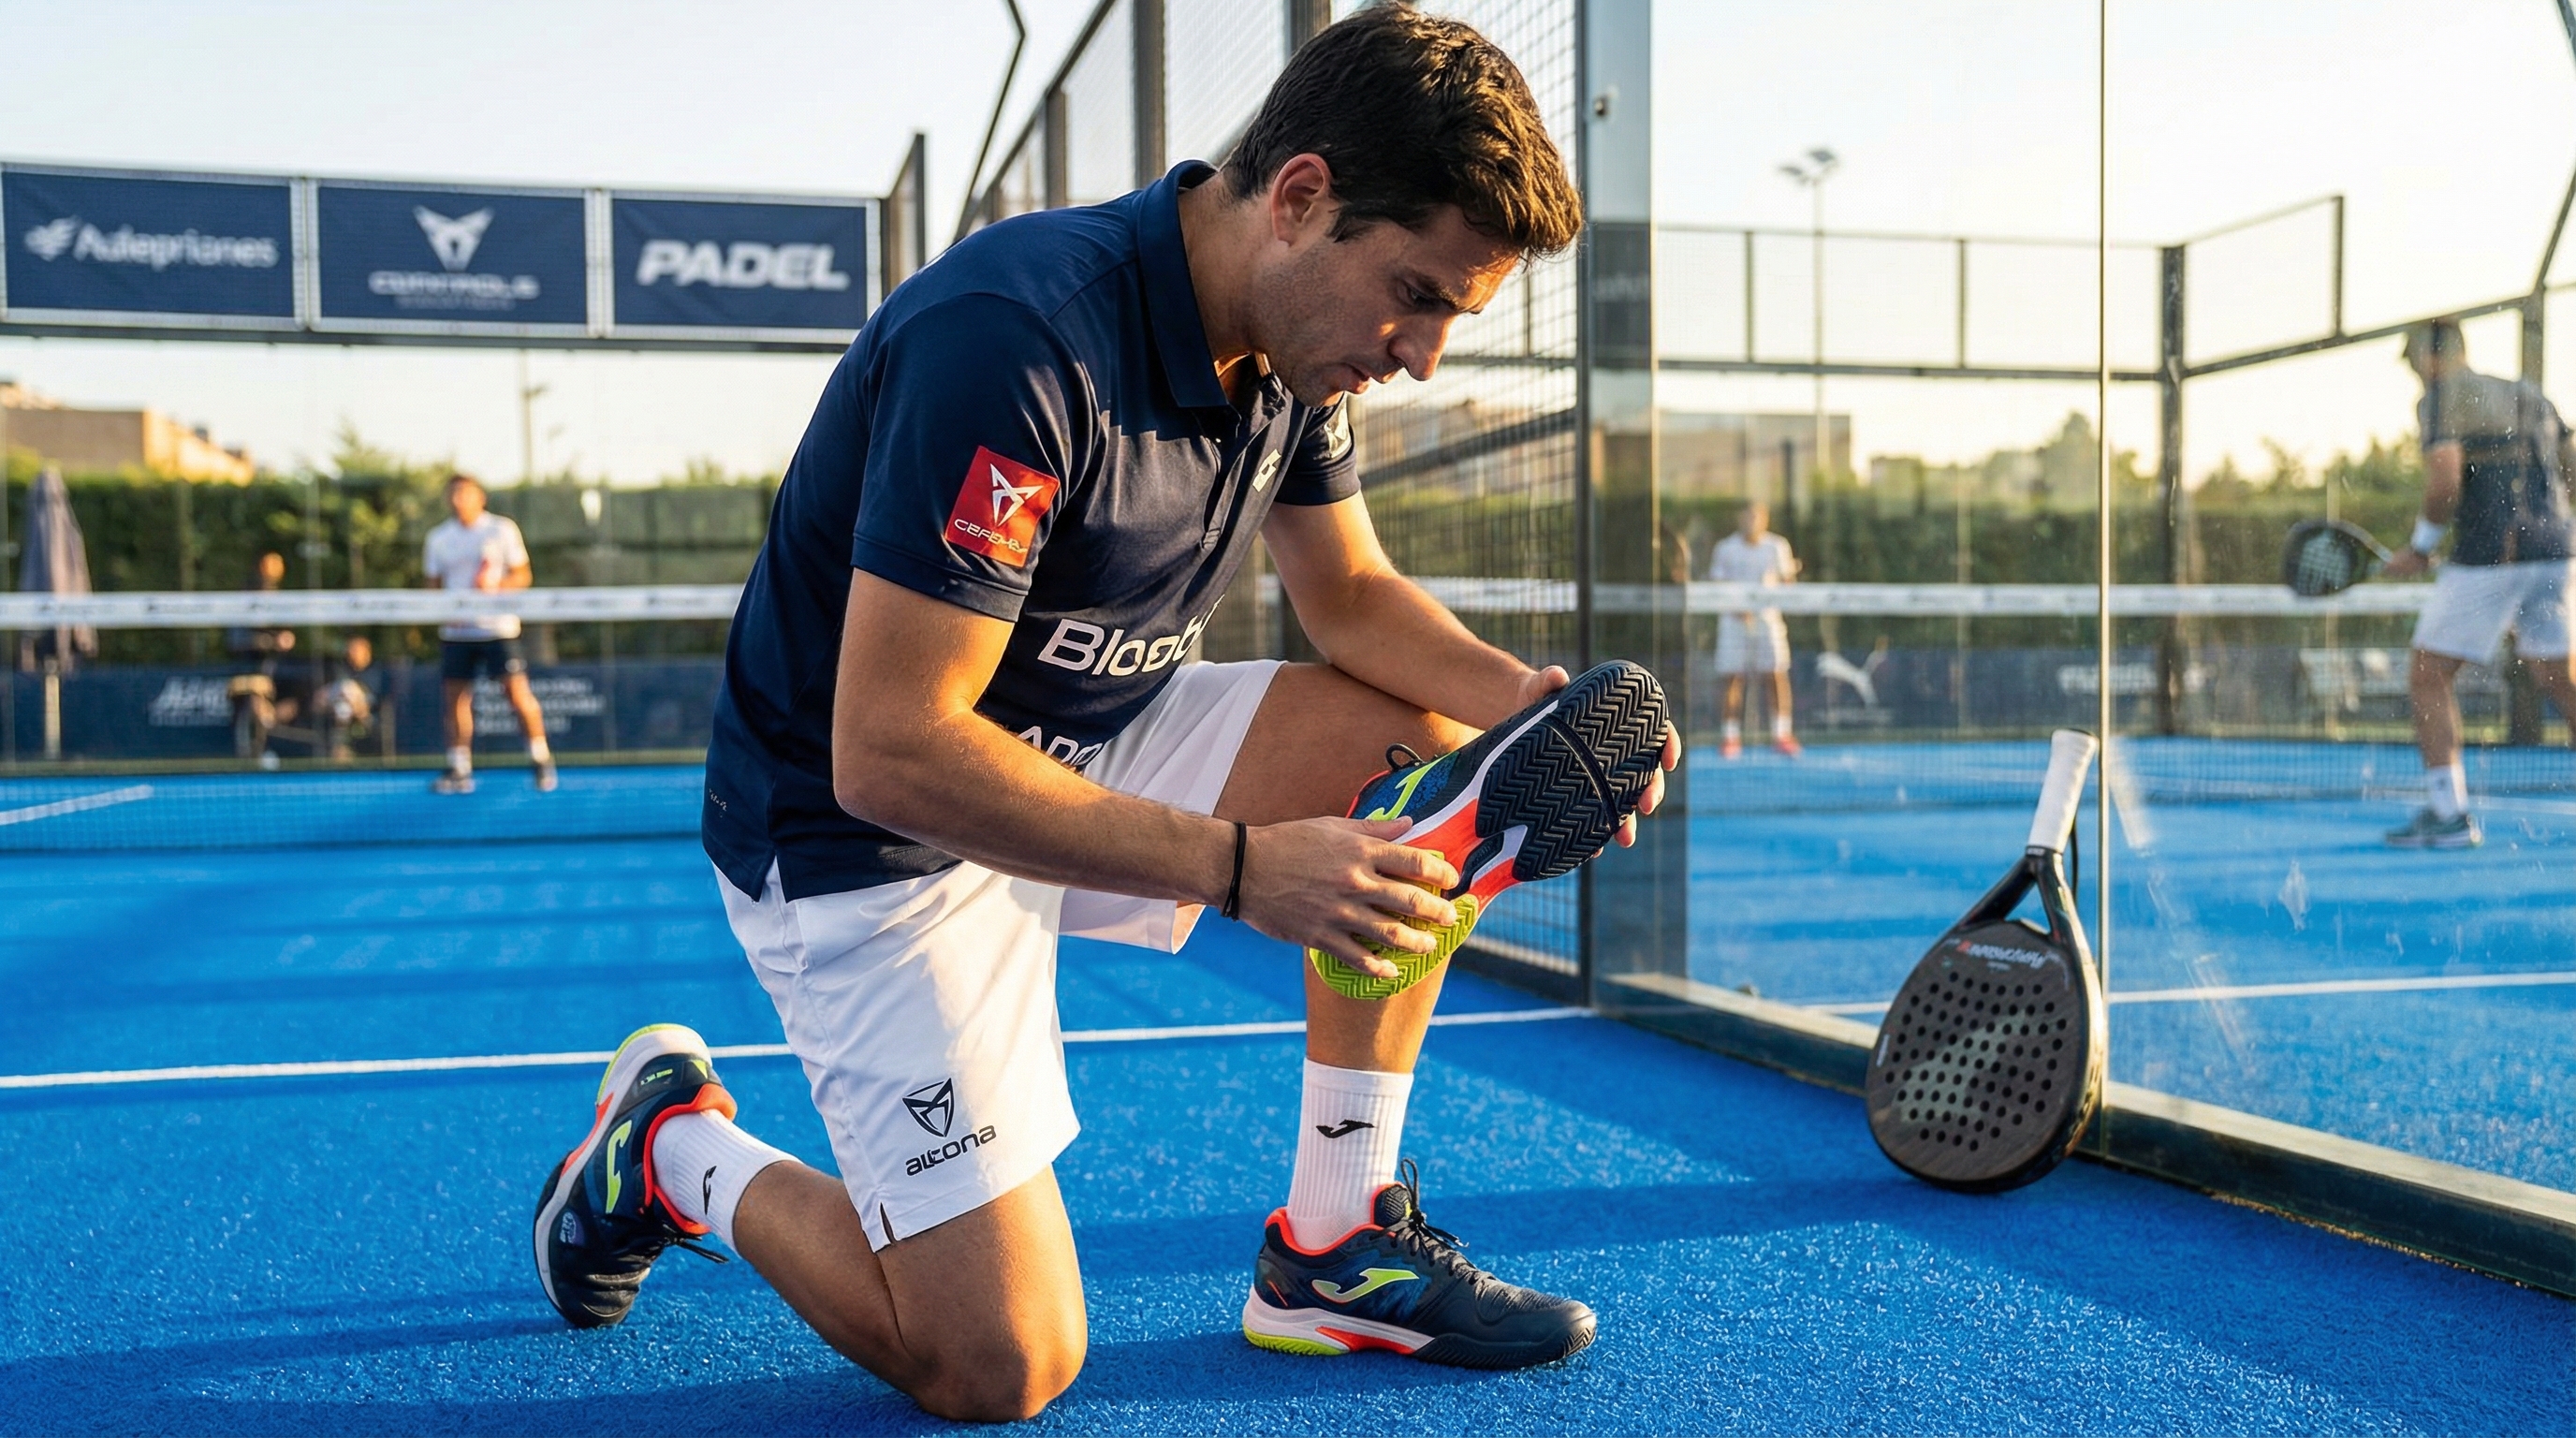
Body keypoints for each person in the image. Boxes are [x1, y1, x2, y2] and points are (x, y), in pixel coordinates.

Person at [527, 10, 1675, 1422]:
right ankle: (673, 1154)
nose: (1423, 353)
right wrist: (1245, 869)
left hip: (1088, 730)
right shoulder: (1017, 340)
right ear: (1301, 199)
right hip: (859, 829)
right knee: (997, 1364)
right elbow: (888, 747)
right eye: (1416, 295)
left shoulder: (1292, 342)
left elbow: (1354, 595)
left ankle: (1333, 1244)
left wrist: (1525, 714)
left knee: (1411, 759)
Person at [2380, 319, 2576, 848]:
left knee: (2428, 674)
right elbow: (2571, 468)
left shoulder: (2442, 398)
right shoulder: (2530, 395)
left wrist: (2420, 548)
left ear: (2432, 356)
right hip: (2556, 551)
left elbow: (2444, 477)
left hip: (2490, 555)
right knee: (2560, 678)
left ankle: (2448, 816)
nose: (2416, 374)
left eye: (2414, 362)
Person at [421, 473, 553, 794]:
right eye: (452, 494)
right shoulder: (438, 538)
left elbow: (522, 575)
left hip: (498, 629)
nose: (458, 499)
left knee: (517, 693)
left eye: (465, 493)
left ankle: (540, 759)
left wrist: (495, 587)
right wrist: (448, 610)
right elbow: (432, 587)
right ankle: (459, 768)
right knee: (455, 700)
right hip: (457, 633)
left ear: (480, 497)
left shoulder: (502, 529)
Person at [1709, 501, 1801, 758]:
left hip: (1768, 621)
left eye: (1755, 517)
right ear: (1740, 519)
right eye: (1746, 516)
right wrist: (1739, 610)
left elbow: (1787, 583)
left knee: (1776, 675)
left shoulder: (1777, 546)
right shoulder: (1725, 548)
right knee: (1732, 677)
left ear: (1764, 519)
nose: (1751, 521)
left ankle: (1782, 734)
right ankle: (1730, 737)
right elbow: (1717, 586)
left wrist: (1787, 583)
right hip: (1732, 622)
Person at [226, 550, 300, 764]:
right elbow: (236, 640)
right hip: (246, 672)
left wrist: (286, 639)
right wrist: (269, 642)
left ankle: (276, 747)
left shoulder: (281, 601)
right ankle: (253, 752)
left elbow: (287, 636)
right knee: (255, 702)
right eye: (268, 565)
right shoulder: (246, 598)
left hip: (277, 674)